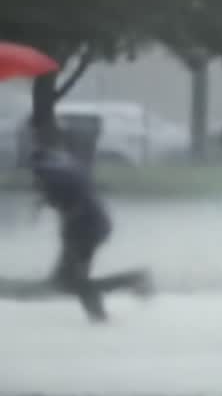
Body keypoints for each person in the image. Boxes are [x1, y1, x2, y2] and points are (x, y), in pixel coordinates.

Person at [0, 123, 151, 321]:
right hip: (92, 226)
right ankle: (120, 290)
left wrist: (51, 207)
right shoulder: (63, 165)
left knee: (73, 280)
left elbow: (69, 199)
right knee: (67, 280)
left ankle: (120, 293)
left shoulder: (48, 172)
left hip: (84, 229)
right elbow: (76, 193)